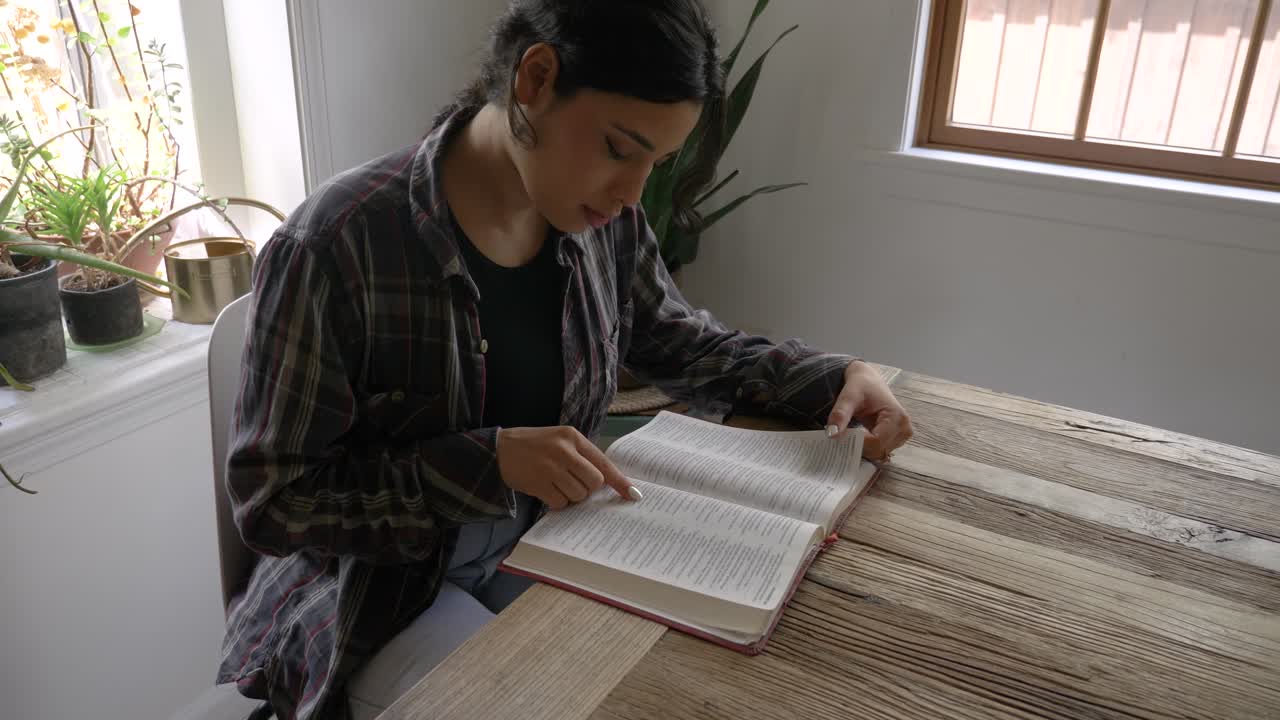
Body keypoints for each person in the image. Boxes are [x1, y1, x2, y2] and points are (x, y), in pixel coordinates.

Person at [216, 1, 914, 718]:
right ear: (536, 79)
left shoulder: (601, 223)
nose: (633, 193)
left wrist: (835, 378)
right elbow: (275, 501)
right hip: (373, 598)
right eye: (618, 148)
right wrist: (487, 464)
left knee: (713, 677)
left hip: (545, 540)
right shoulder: (337, 243)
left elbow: (682, 344)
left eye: (655, 163)